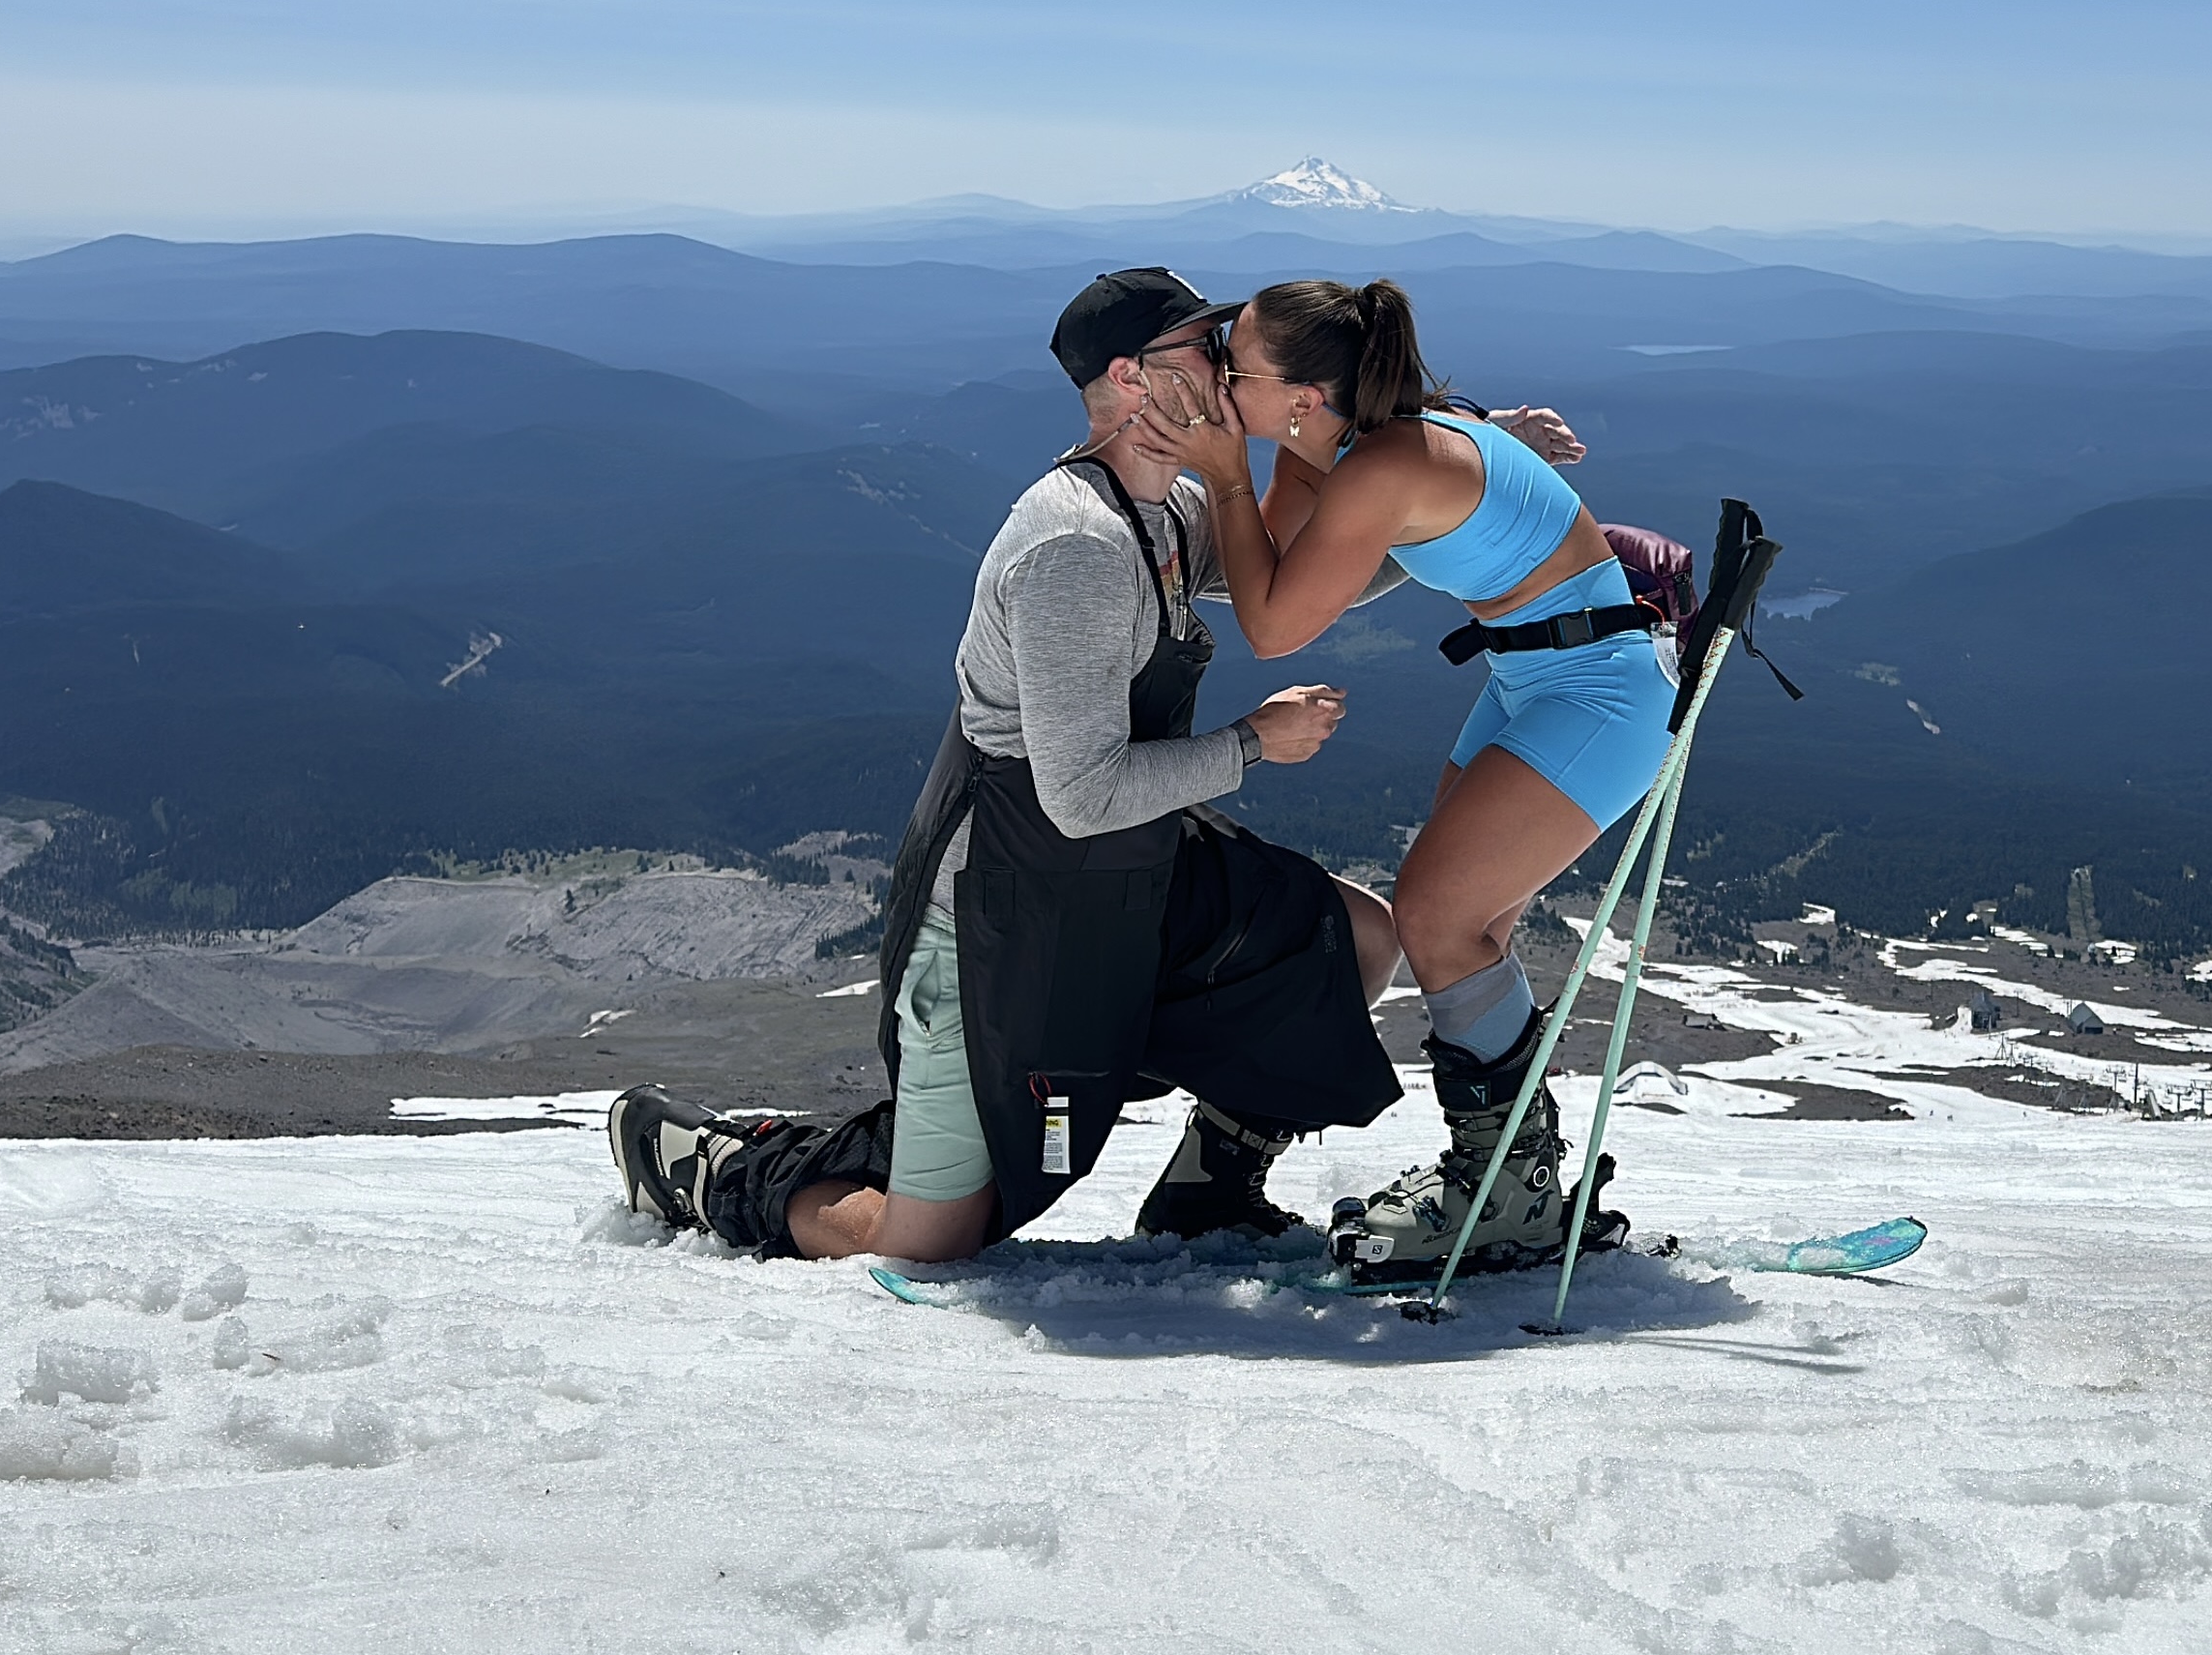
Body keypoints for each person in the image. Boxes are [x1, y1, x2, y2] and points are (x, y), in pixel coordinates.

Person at [609, 270, 1416, 1261]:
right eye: (1199, 350)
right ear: (1132, 378)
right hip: (1004, 909)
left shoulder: (1162, 509)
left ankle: (1209, 1188)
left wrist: (1440, 506)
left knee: (1352, 941)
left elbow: (1304, 573)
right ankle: (717, 1168)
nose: (1224, 369)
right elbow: (1079, 795)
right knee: (930, 1242)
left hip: (1127, 871)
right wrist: (1253, 742)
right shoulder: (1077, 544)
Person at [1129, 279, 1666, 1280]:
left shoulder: (1382, 464)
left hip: (1597, 692)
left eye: (1233, 364)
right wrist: (1233, 474)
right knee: (1467, 924)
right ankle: (1509, 1180)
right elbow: (1272, 565)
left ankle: (1506, 1194)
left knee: (1434, 913)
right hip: (1541, 672)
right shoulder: (1336, 439)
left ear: (1302, 396)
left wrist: (1227, 473)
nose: (1216, 374)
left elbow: (1275, 626)